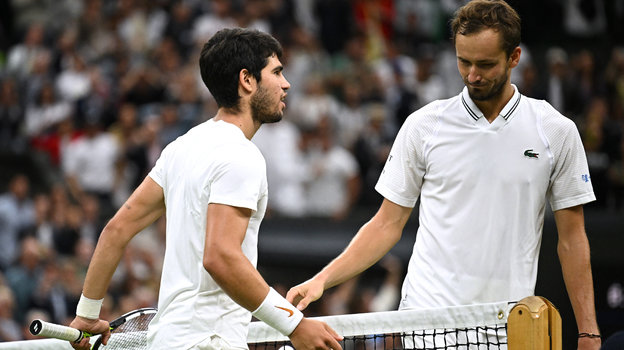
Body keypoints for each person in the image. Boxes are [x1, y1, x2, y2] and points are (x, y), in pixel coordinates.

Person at [286, 1, 601, 350]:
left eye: (485, 64)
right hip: (426, 323)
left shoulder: (556, 131)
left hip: (508, 329)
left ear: (514, 57)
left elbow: (572, 239)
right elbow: (386, 225)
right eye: (463, 61)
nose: (472, 75)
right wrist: (323, 280)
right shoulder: (424, 126)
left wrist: (588, 329)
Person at [68, 28, 342, 350]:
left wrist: (87, 314)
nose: (286, 84)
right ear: (247, 80)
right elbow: (220, 257)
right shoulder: (241, 155)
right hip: (208, 342)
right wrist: (294, 325)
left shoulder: (180, 149)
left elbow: (116, 229)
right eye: (277, 72)